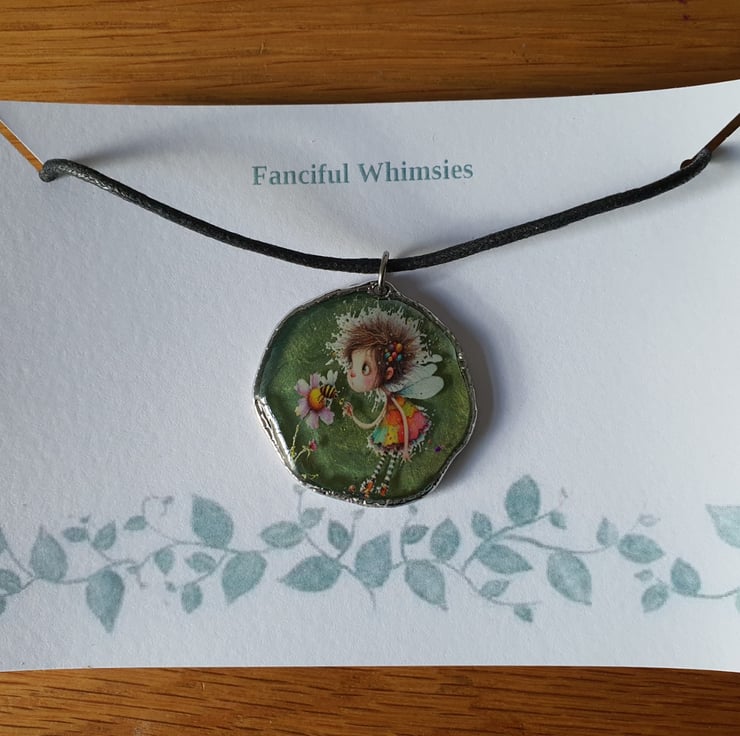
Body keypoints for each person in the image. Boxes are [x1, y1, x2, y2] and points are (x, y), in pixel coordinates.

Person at [328, 307, 443, 498]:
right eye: (353, 366)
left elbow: (402, 419)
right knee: (385, 452)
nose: (352, 374)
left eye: (364, 368)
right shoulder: (385, 399)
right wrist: (353, 414)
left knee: (390, 453)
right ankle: (376, 482)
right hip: (390, 425)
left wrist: (405, 449)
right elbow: (371, 423)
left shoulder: (392, 399)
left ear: (388, 374)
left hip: (401, 424)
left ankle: (383, 484)